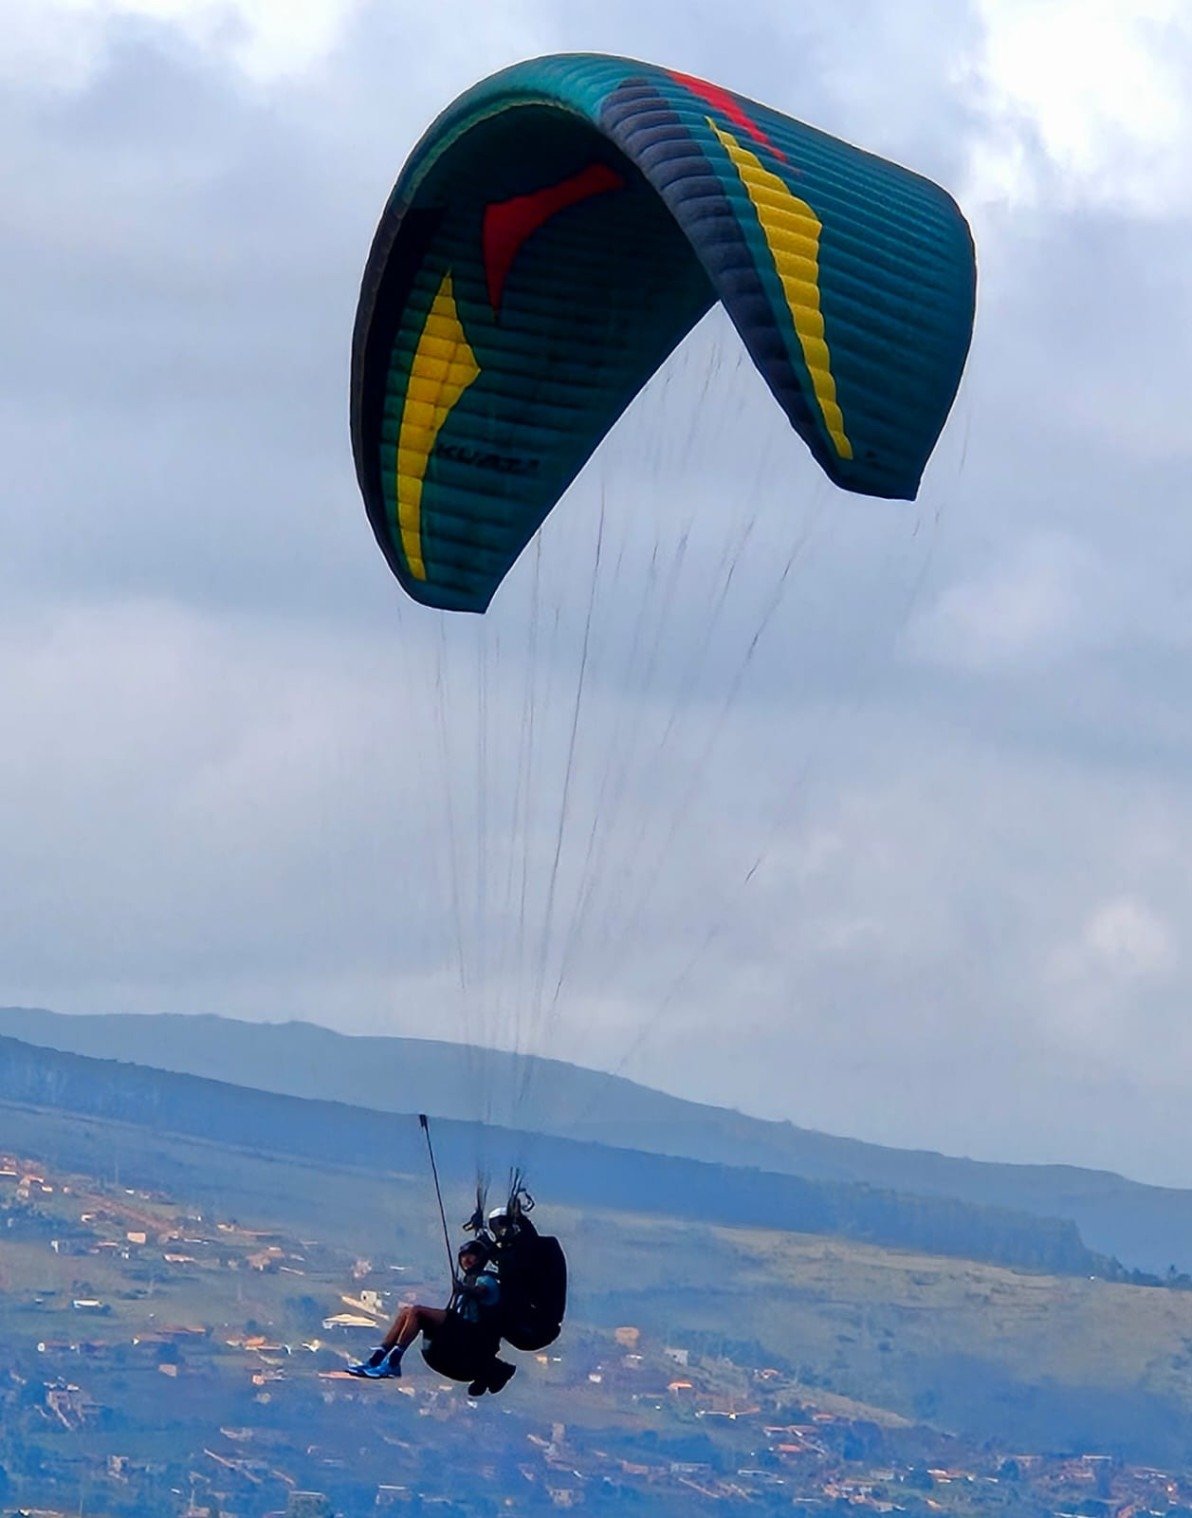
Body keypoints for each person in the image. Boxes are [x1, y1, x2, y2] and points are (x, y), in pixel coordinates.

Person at [348, 1238, 516, 1396]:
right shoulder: (470, 1279)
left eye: (471, 1256)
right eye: (463, 1257)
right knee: (407, 1312)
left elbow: (482, 1292)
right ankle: (375, 1360)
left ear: (480, 1258)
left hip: (470, 1331)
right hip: (460, 1326)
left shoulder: (486, 1280)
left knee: (417, 1312)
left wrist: (465, 1290)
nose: (466, 1260)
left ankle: (393, 1362)